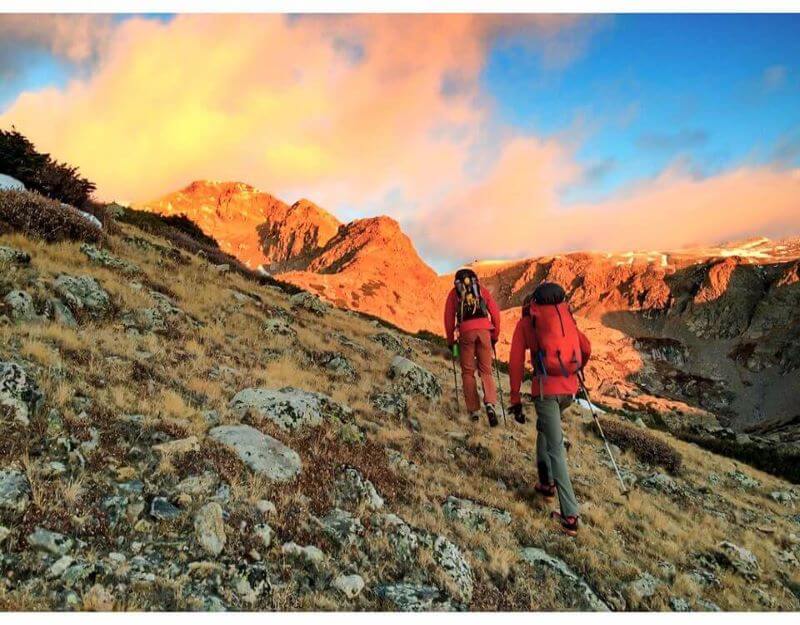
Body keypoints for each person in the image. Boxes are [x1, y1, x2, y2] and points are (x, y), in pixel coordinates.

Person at [508, 282, 591, 536]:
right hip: (569, 388)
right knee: (545, 429)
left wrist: (515, 399)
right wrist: (575, 370)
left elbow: (515, 362)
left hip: (546, 391)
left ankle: (570, 515)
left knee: (555, 448)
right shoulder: (563, 319)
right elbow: (586, 347)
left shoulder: (526, 324)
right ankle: (545, 484)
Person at [443, 268, 502, 426]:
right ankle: (490, 404)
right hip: (484, 332)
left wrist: (451, 341)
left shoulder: (453, 294)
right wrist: (494, 336)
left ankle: (474, 411)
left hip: (465, 333)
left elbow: (448, 319)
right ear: (474, 279)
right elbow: (495, 314)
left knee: (468, 372)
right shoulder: (481, 290)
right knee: (486, 371)